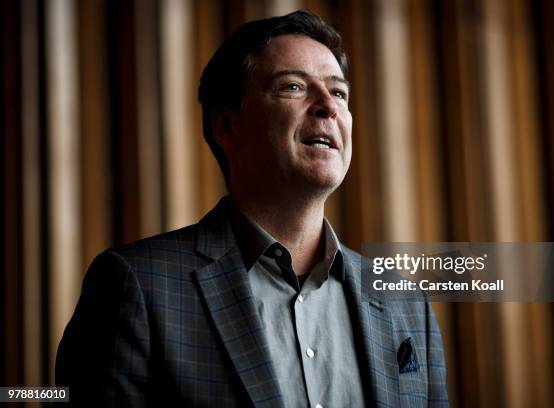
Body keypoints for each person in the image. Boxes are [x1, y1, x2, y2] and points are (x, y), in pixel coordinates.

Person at [55, 10, 448, 407]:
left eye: (339, 92)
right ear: (227, 126)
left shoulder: (404, 301)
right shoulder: (135, 285)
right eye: (293, 86)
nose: (327, 106)